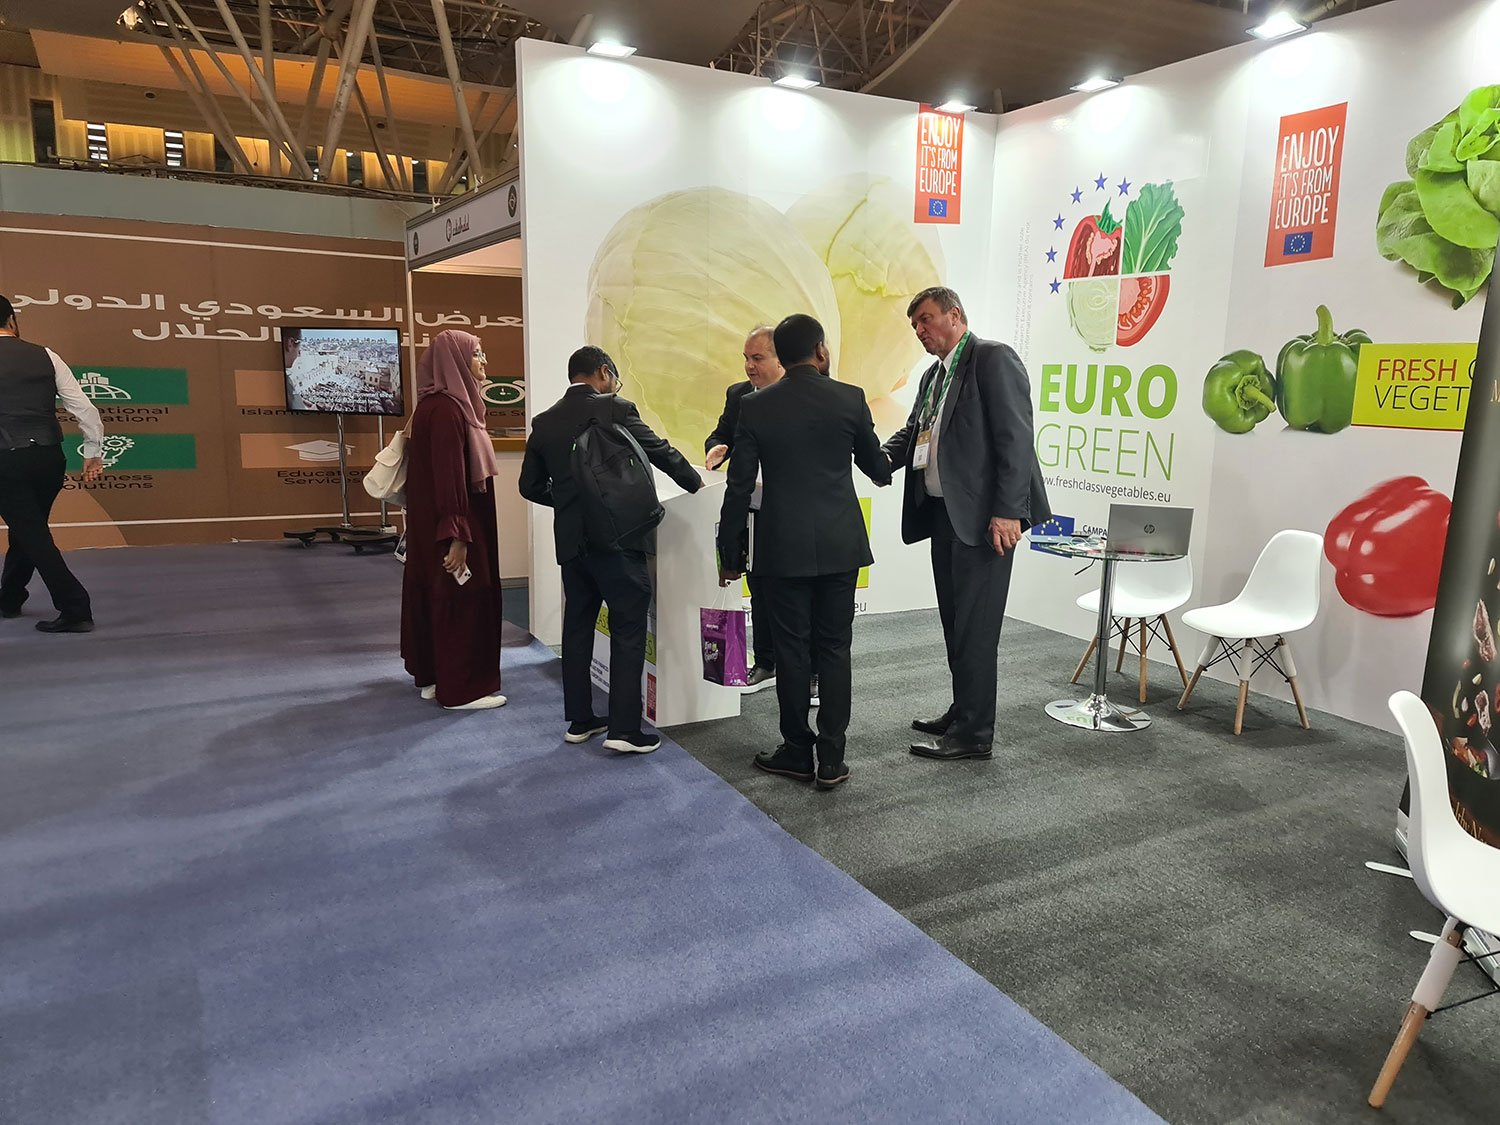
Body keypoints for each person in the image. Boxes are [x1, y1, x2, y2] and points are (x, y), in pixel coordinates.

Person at [717, 314, 890, 790]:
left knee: (791, 651)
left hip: (781, 547)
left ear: (782, 355)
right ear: (820, 350)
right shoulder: (850, 398)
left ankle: (796, 751)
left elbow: (738, 487)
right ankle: (832, 758)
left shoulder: (755, 406)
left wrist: (729, 554)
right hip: (841, 544)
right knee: (834, 649)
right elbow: (878, 470)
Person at [883, 286, 1050, 762]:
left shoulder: (992, 358)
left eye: (926, 319)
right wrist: (876, 459)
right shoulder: (932, 376)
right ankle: (963, 710)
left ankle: (975, 734)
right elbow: (914, 432)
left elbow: (1016, 439)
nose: (919, 330)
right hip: (944, 515)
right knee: (956, 624)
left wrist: (1009, 510)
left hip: (985, 520)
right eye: (914, 324)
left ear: (954, 315)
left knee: (976, 629)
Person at [520, 346, 703, 753]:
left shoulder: (544, 422)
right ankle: (624, 729)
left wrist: (569, 503)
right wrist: (697, 484)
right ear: (604, 372)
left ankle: (580, 720)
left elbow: (529, 486)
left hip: (573, 544)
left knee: (577, 628)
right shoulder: (614, 408)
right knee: (628, 629)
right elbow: (661, 451)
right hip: (619, 540)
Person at [400, 329, 507, 710]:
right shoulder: (449, 411)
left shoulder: (433, 406)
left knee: (437, 594)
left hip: (435, 524)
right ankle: (462, 689)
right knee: (463, 598)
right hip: (456, 525)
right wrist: (458, 535)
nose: (483, 360)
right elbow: (450, 477)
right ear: (456, 361)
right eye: (476, 353)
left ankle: (435, 675)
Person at [703, 325, 801, 696]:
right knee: (758, 586)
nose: (749, 366)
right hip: (752, 507)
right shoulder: (739, 395)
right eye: (746, 358)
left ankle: (810, 672)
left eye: (757, 358)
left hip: (794, 510)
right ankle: (766, 662)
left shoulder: (801, 394)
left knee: (797, 593)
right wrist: (718, 448)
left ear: (781, 360)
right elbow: (721, 434)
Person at [0, 295, 104, 633]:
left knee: (32, 533)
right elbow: (85, 409)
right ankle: (9, 598)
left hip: (5, 458)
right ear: (12, 320)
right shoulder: (46, 355)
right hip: (48, 457)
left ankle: (76, 608)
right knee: (27, 530)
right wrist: (93, 451)